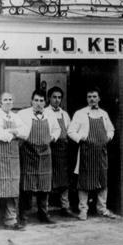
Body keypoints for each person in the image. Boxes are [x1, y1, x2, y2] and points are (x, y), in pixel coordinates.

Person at [0, 92, 29, 234]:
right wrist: (14, 133)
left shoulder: (16, 117)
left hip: (13, 157)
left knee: (12, 188)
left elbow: (26, 132)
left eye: (10, 99)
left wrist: (12, 131)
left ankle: (11, 220)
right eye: (5, 100)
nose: (8, 102)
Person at [68, 88, 116, 221]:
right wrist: (81, 138)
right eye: (89, 97)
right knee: (84, 182)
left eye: (94, 96)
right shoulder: (80, 113)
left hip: (101, 154)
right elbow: (71, 131)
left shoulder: (104, 114)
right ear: (86, 99)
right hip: (86, 154)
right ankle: (83, 210)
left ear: (99, 98)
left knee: (103, 181)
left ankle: (102, 208)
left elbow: (111, 129)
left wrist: (108, 138)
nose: (92, 99)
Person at [17, 90, 60, 225]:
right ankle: (23, 216)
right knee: (26, 186)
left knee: (44, 186)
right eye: (36, 100)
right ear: (31, 101)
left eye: (41, 101)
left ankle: (43, 214)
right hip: (28, 153)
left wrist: (52, 138)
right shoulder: (22, 114)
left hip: (45, 154)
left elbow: (57, 129)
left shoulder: (50, 115)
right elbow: (17, 129)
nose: (39, 103)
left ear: (45, 102)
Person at [44, 86, 75, 217]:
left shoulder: (65, 114)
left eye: (59, 97)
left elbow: (70, 130)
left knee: (64, 180)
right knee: (48, 179)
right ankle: (44, 209)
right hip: (50, 148)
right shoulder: (45, 112)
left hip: (63, 150)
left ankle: (65, 207)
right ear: (49, 98)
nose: (57, 100)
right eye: (54, 97)